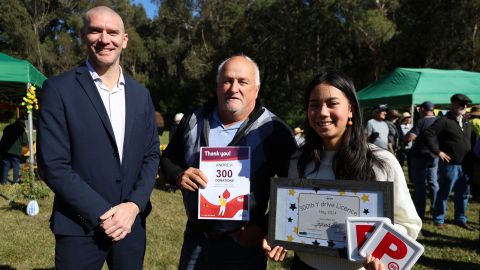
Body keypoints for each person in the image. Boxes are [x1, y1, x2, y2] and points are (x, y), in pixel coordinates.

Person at [36, 6, 160, 270]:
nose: (105, 39)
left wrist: (133, 206)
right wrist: (104, 214)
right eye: (96, 31)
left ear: (124, 40)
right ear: (83, 36)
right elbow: (53, 165)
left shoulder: (141, 95)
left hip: (130, 225)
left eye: (113, 32)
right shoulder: (58, 90)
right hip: (79, 226)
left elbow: (151, 155)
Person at [263, 71, 421, 270]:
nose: (322, 112)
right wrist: (276, 238)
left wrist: (379, 251)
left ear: (351, 110)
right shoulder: (298, 160)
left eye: (332, 103)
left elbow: (408, 224)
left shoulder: (382, 162)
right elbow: (289, 216)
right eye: (314, 105)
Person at [160, 55, 297, 270]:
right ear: (217, 86)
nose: (234, 88)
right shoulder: (194, 119)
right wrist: (178, 174)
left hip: (243, 244)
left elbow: (294, 187)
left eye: (243, 82)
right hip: (196, 237)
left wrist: (264, 226)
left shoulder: (274, 130)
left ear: (257, 89)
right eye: (227, 80)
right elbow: (168, 158)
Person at [423, 94, 476, 229]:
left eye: (466, 104)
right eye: (460, 104)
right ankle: (439, 219)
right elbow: (428, 134)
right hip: (450, 165)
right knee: (444, 193)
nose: (464, 106)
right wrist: (438, 151)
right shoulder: (444, 121)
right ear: (453, 104)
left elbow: (473, 141)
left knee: (463, 194)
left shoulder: (467, 123)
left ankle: (460, 219)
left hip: (466, 165)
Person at [404, 101, 439, 220]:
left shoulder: (421, 121)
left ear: (423, 109)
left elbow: (411, 137)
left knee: (420, 185)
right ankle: (436, 210)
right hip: (434, 156)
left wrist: (405, 140)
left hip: (420, 156)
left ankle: (420, 212)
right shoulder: (439, 121)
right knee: (433, 183)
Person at [0, 119, 28, 184]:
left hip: (5, 149)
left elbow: (3, 138)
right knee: (16, 165)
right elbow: (25, 142)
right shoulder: (21, 129)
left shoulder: (7, 127)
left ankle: (4, 182)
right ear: (21, 124)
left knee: (6, 165)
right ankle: (15, 182)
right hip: (15, 150)